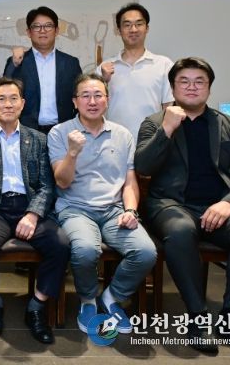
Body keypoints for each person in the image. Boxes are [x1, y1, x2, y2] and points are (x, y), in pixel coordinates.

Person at [135, 57, 230, 355]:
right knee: (180, 231)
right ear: (173, 87)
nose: (192, 87)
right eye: (184, 81)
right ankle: (197, 317)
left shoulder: (228, 124)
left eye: (199, 82)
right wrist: (166, 129)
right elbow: (143, 166)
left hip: (217, 205)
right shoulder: (154, 123)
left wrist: (229, 202)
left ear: (209, 87)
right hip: (170, 204)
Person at [49, 73, 156, 335]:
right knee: (86, 250)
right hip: (75, 209)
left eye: (98, 95)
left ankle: (111, 297)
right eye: (85, 96)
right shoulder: (60, 132)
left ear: (107, 100)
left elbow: (129, 181)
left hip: (113, 210)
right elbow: (62, 181)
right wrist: (72, 152)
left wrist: (130, 210)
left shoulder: (123, 134)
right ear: (75, 101)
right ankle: (88, 300)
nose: (92, 101)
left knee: (145, 252)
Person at [0, 77, 69, 344]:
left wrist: (33, 214)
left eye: (13, 99)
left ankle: (36, 306)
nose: (8, 104)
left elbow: (46, 186)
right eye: (1, 99)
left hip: (28, 207)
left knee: (60, 243)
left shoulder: (38, 139)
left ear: (22, 104)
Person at [96, 3, 173, 139]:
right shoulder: (104, 67)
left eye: (139, 24)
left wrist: (163, 140)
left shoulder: (164, 65)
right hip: (114, 141)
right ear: (119, 30)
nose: (133, 29)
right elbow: (94, 107)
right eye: (127, 25)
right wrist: (104, 80)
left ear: (147, 28)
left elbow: (169, 107)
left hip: (152, 140)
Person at [3, 6, 81, 134]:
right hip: (27, 132)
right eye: (36, 26)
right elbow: (4, 92)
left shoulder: (71, 63)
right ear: (29, 32)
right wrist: (14, 64)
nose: (42, 31)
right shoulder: (18, 62)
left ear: (56, 31)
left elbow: (79, 98)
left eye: (48, 26)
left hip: (63, 131)